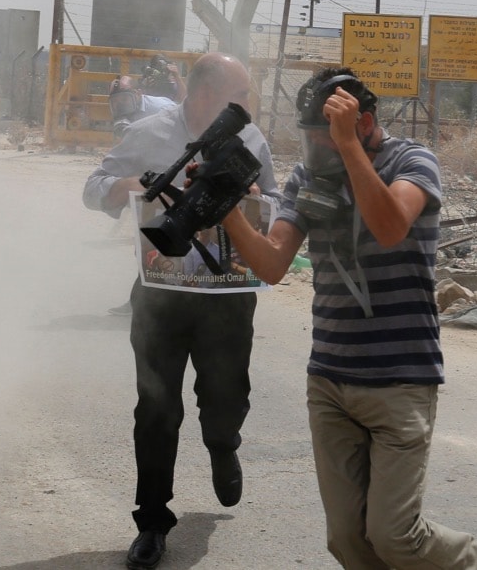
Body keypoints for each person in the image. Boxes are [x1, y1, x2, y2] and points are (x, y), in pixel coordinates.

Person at [220, 67, 477, 570]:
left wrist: (348, 150)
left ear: (365, 123)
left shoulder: (413, 161)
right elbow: (273, 264)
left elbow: (392, 226)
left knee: (396, 537)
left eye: (323, 140)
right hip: (330, 378)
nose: (314, 153)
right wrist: (227, 212)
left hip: (399, 378)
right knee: (349, 542)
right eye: (311, 141)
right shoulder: (309, 177)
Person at [82, 53, 278, 570]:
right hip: (159, 297)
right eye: (242, 92)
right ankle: (151, 522)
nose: (249, 102)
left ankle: (222, 441)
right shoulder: (148, 132)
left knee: (225, 394)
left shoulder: (252, 139)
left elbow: (277, 205)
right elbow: (93, 188)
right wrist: (122, 188)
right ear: (209, 92)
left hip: (228, 297)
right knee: (155, 409)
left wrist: (256, 199)